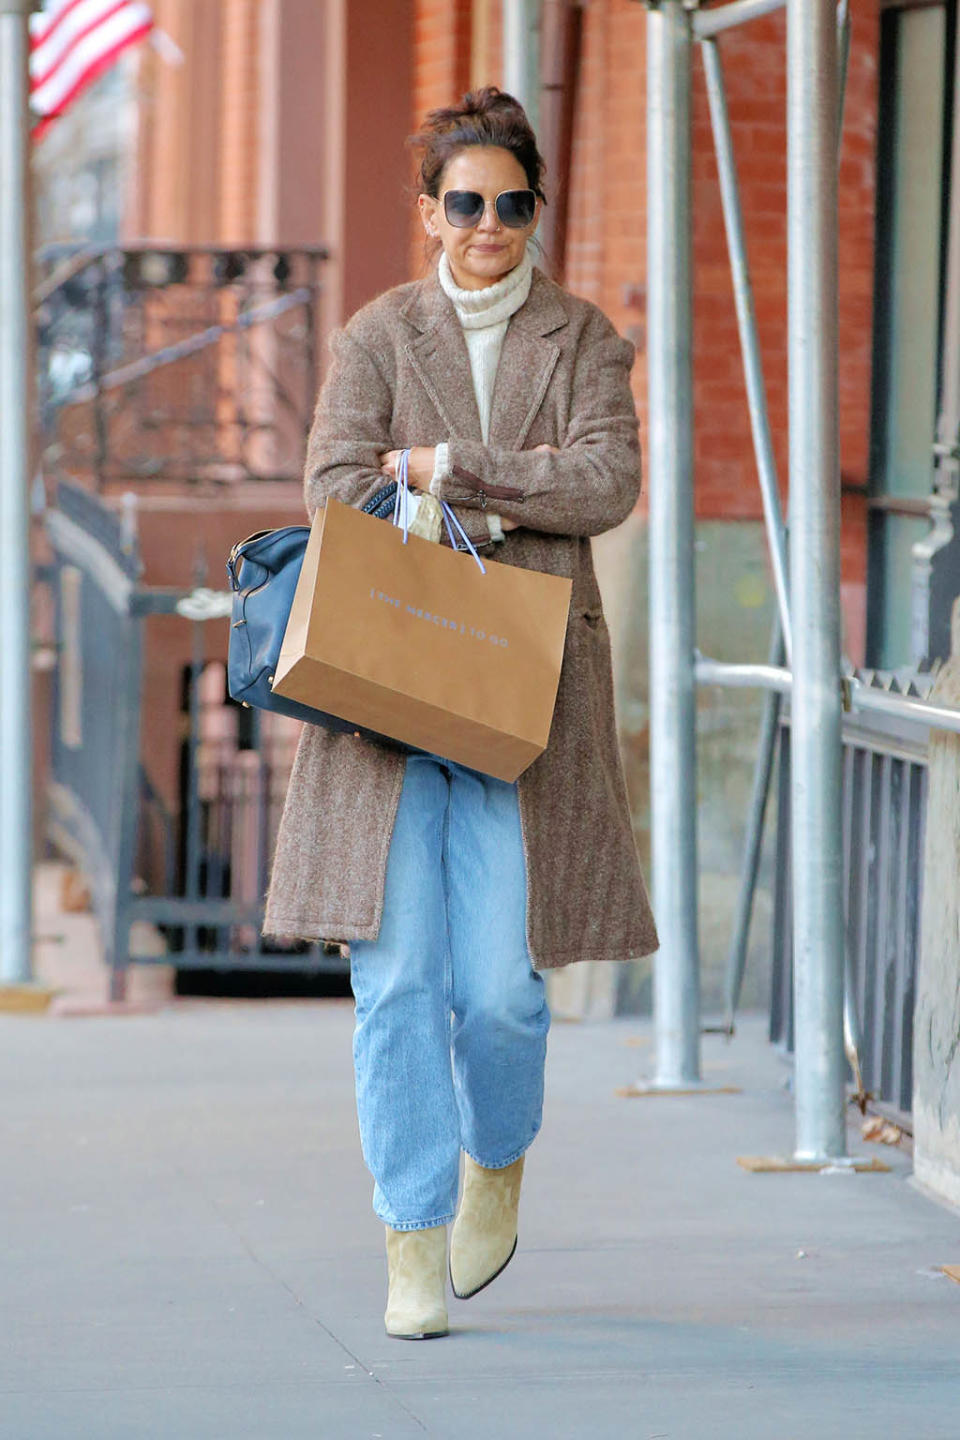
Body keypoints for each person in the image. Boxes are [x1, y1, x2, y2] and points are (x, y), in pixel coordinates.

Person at [264, 86, 658, 1340]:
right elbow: (333, 482)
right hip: (385, 707)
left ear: (536, 208)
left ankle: (499, 1157)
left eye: (512, 203)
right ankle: (413, 1238)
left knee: (499, 994)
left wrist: (454, 478)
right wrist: (445, 491)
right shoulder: (380, 335)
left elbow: (606, 483)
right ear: (429, 212)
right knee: (397, 983)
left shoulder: (585, 338)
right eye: (466, 203)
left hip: (520, 701)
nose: (490, 225)